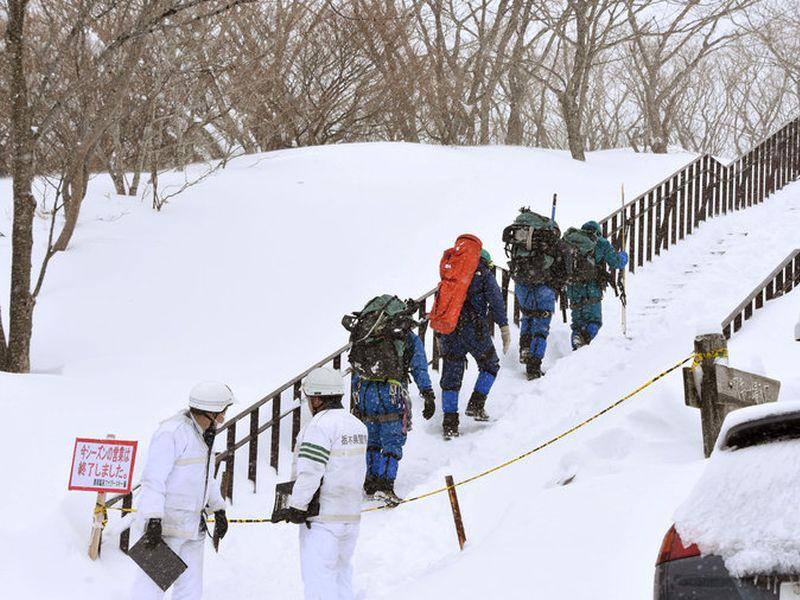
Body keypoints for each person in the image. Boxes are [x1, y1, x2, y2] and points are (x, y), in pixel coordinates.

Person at [130, 381, 234, 600]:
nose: (225, 417)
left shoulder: (205, 434)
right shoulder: (172, 433)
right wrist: (153, 519)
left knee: (190, 590)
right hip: (166, 528)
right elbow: (153, 479)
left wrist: (219, 508)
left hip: (193, 527)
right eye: (223, 412)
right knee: (151, 589)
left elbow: (206, 477)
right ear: (210, 412)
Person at [285, 367, 368, 600]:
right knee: (342, 576)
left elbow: (311, 471)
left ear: (318, 398)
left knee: (319, 582)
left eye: (309, 398)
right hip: (350, 517)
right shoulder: (357, 426)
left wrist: (297, 506)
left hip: (321, 520)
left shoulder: (319, 426)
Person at [345, 296, 435, 504]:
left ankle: (371, 480)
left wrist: (356, 397)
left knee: (373, 437)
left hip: (365, 389)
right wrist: (427, 392)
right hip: (392, 391)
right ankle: (385, 485)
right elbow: (419, 366)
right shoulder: (406, 337)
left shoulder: (366, 334)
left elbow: (356, 364)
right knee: (392, 438)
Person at [440, 249, 510, 438]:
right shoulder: (484, 274)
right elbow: (496, 301)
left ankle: (450, 423)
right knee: (490, 364)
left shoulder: (451, 272)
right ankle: (476, 405)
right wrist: (503, 327)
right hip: (474, 329)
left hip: (450, 328)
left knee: (451, 378)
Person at [503, 208, 571, 380]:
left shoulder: (522, 242)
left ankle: (524, 348)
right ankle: (534, 365)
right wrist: (557, 284)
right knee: (541, 325)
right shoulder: (554, 243)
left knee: (527, 316)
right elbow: (566, 269)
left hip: (522, 283)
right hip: (544, 286)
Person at [565, 221, 628, 349]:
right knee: (594, 321)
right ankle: (585, 343)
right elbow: (616, 262)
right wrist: (624, 256)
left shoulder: (570, 242)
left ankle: (577, 342)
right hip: (591, 288)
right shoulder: (601, 243)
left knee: (577, 324)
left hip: (573, 287)